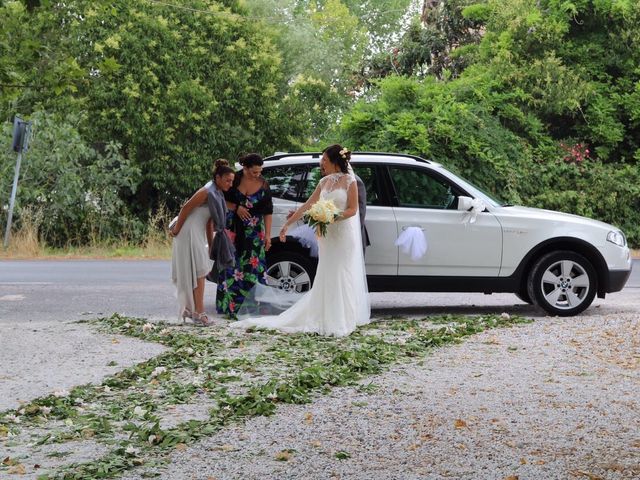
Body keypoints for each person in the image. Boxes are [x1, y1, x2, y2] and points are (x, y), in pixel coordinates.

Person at [230, 144, 370, 337]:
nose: (322, 163)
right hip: (327, 237)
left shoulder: (349, 181)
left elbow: (353, 210)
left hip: (342, 235)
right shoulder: (324, 182)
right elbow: (308, 204)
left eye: (325, 160)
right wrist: (288, 223)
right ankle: (324, 316)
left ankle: (343, 318)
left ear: (336, 162)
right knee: (326, 273)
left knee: (341, 273)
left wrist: (332, 216)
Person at [170, 159, 235, 326]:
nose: (230, 184)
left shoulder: (217, 194)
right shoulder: (207, 191)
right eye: (228, 180)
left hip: (197, 233)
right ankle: (198, 312)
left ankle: (191, 310)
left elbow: (209, 222)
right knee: (199, 271)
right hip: (187, 232)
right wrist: (177, 229)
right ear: (218, 177)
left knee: (201, 269)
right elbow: (186, 207)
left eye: (232, 181)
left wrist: (211, 243)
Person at [216, 153, 273, 317]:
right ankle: (231, 306)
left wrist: (268, 235)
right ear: (245, 168)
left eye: (259, 171)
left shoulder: (264, 185)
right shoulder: (234, 179)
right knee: (232, 265)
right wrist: (236, 208)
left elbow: (268, 211)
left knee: (253, 267)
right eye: (254, 172)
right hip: (233, 228)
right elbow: (220, 198)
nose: (257, 175)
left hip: (255, 233)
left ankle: (254, 306)